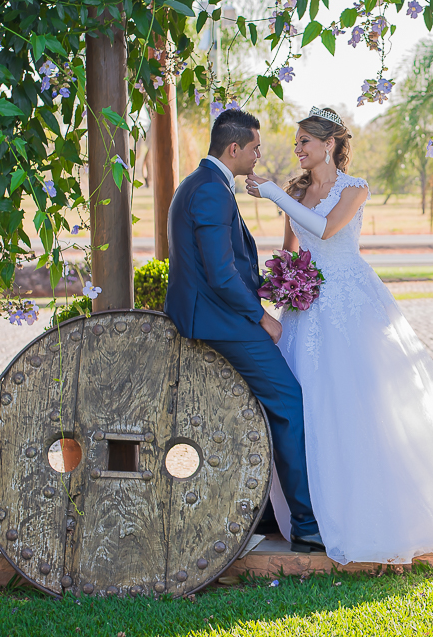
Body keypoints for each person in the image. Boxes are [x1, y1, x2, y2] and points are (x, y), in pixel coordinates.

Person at [246, 106, 433, 565]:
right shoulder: (299, 192)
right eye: (297, 143)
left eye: (304, 141)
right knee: (309, 403)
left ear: (328, 143)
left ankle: (376, 512)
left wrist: (271, 194)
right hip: (307, 311)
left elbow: (328, 230)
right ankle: (312, 512)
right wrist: (283, 282)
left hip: (353, 304)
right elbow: (293, 250)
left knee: (366, 404)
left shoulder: (355, 189)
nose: (298, 149)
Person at [164, 108, 323, 552]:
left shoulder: (202, 184)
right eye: (254, 149)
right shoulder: (212, 191)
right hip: (219, 320)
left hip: (215, 313)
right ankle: (306, 524)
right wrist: (261, 315)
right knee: (289, 400)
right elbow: (219, 273)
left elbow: (224, 264)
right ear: (233, 148)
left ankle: (270, 512)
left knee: (273, 404)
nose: (259, 156)